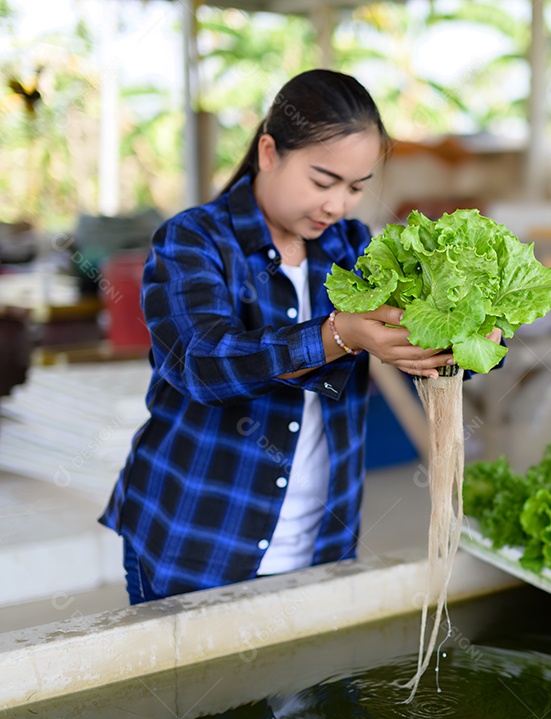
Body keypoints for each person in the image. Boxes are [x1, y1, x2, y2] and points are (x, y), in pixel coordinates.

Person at [99, 69, 490, 604]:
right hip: (197, 541)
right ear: (268, 152)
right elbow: (201, 365)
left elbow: (421, 340)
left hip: (322, 544)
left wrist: (466, 336)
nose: (338, 206)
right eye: (323, 181)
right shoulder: (194, 239)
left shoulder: (351, 245)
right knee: (204, 691)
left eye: (356, 188)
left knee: (312, 686)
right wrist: (338, 334)